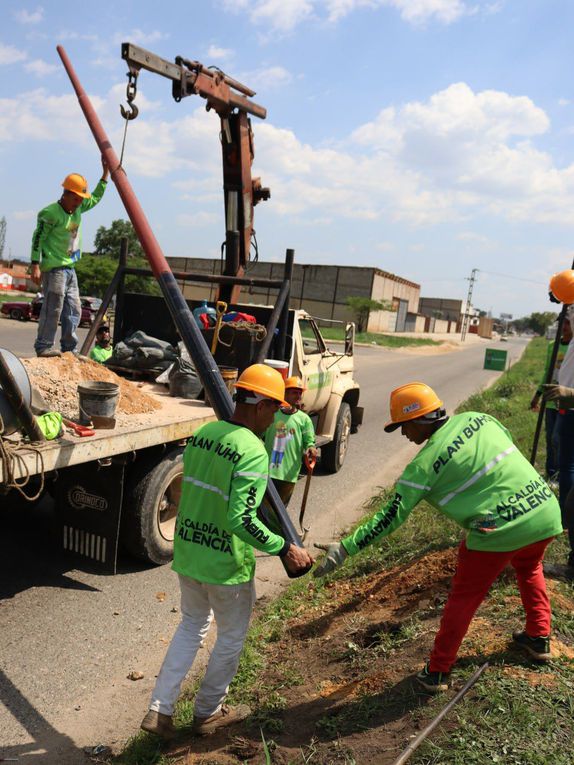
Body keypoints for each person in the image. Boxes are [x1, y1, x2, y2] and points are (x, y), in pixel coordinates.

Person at [313, 382, 562, 693]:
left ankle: (438, 671)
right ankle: (539, 638)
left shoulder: (423, 466)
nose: (405, 435)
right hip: (544, 511)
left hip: (500, 529)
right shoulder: (479, 418)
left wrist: (347, 547)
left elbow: (389, 518)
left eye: (403, 427)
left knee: (465, 597)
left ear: (418, 420)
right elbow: (503, 451)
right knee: (529, 568)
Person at [141, 364, 314, 740]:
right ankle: (207, 713)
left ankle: (160, 710)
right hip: (225, 564)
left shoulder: (204, 434)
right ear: (260, 404)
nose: (274, 418)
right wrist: (284, 547)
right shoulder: (252, 449)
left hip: (189, 553)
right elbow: (241, 519)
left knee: (190, 627)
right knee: (231, 636)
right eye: (274, 408)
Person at [30, 158, 109, 357]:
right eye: (77, 198)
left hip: (70, 269)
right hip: (55, 269)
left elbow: (96, 198)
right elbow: (37, 238)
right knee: (53, 308)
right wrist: (34, 264)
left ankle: (69, 349)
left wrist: (105, 175)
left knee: (74, 308)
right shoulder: (50, 213)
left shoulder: (79, 208)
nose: (80, 202)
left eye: (82, 198)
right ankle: (44, 346)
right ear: (67, 194)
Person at [263, 376, 318, 507]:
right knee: (263, 511)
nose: (298, 395)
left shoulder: (304, 419)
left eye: (300, 392)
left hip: (288, 475)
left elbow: (309, 442)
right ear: (285, 393)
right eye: (294, 392)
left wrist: (311, 448)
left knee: (279, 513)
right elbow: (260, 434)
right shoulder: (273, 414)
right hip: (266, 472)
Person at [530, 318, 572, 483]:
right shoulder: (552, 346)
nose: (564, 327)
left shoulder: (572, 347)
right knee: (549, 438)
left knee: (557, 438)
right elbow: (548, 371)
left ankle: (562, 474)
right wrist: (538, 394)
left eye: (568, 323)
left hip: (566, 400)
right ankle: (551, 473)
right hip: (550, 398)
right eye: (562, 323)